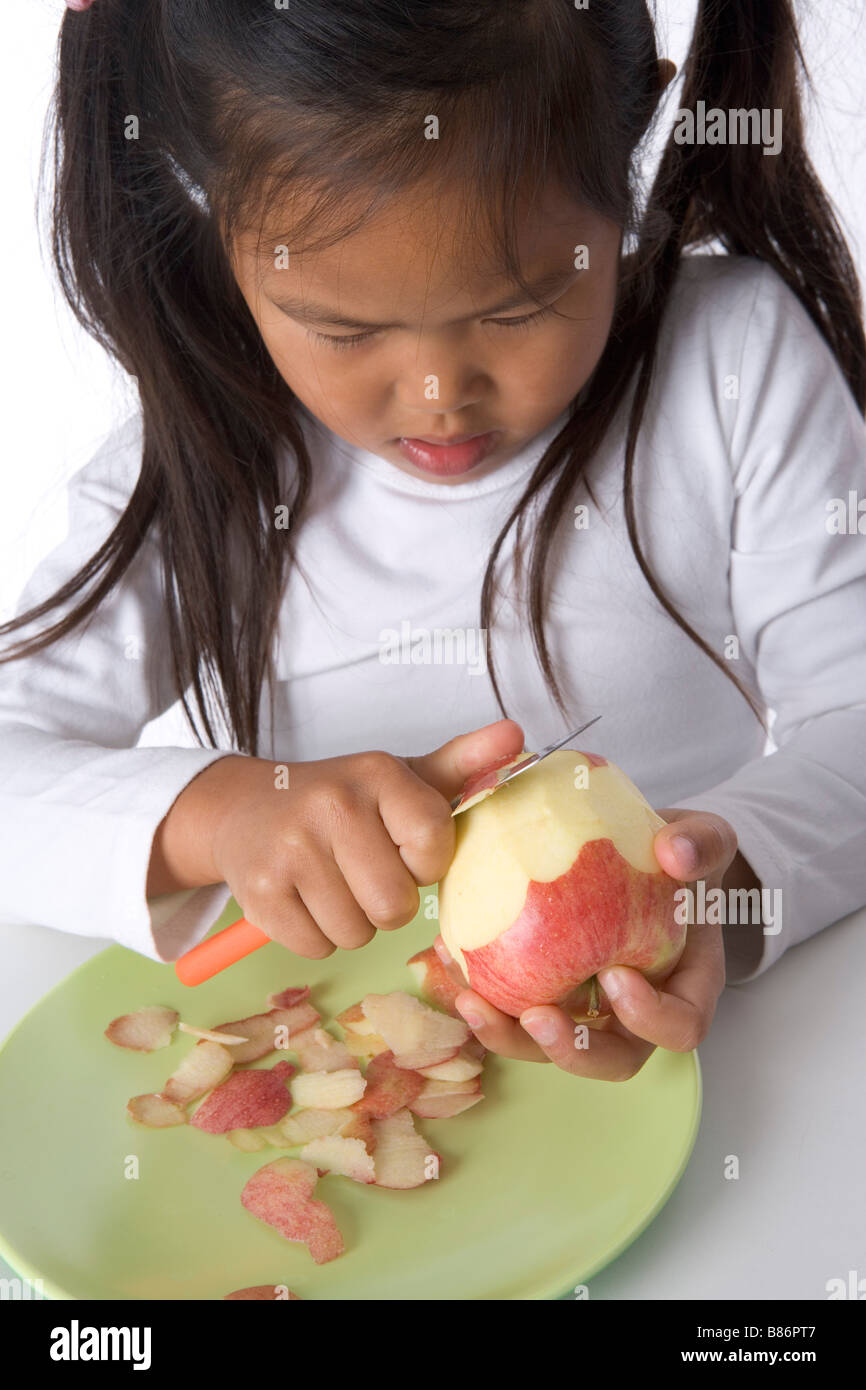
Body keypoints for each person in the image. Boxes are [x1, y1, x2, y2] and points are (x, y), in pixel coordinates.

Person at [1, 0, 864, 1084]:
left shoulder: (733, 362)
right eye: (344, 329)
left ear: (628, 127)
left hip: (730, 1062)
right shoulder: (209, 455)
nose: (436, 394)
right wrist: (220, 816)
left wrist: (723, 887)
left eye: (518, 306)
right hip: (345, 1063)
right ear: (214, 216)